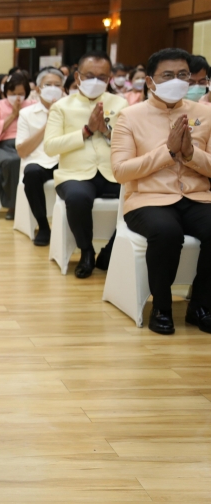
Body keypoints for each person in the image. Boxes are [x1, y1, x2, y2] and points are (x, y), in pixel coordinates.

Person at [111, 48, 211, 335]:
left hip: (196, 196)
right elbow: (121, 171)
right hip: (147, 199)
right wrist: (167, 151)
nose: (177, 80)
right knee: (167, 233)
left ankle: (201, 305)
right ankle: (162, 307)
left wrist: (191, 154)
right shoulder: (129, 117)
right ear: (151, 81)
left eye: (183, 75)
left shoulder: (205, 114)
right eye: (168, 75)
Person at [44, 51, 128, 278]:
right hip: (75, 174)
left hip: (113, 173)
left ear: (110, 78)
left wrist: (107, 132)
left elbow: (131, 144)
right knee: (77, 198)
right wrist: (86, 131)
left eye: (102, 77)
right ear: (78, 76)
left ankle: (109, 252)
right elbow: (50, 146)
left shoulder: (120, 104)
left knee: (140, 196)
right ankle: (86, 250)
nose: (95, 81)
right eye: (89, 75)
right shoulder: (61, 106)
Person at [16, 68, 64, 246]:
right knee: (31, 173)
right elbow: (22, 151)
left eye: (57, 85)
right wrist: (48, 123)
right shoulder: (26, 114)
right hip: (39, 162)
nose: (53, 88)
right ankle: (43, 226)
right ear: (38, 89)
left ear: (63, 89)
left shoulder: (70, 109)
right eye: (48, 85)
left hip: (64, 161)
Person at [0, 72, 36, 220]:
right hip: (4, 146)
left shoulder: (32, 105)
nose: (17, 97)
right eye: (13, 93)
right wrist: (13, 115)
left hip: (28, 143)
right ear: (5, 92)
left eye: (21, 93)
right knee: (13, 162)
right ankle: (13, 205)